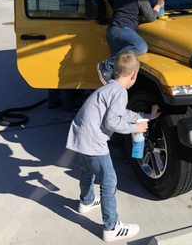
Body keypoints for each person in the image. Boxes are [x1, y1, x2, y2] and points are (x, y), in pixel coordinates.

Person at [66, 51, 160, 242]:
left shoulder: (109, 88)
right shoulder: (120, 92)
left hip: (80, 137)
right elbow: (112, 122)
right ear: (134, 74)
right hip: (93, 142)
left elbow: (120, 113)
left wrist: (146, 116)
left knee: (87, 171)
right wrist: (137, 127)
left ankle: (87, 201)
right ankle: (112, 227)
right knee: (109, 181)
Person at [97, 0, 166, 84]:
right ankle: (107, 65)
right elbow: (151, 16)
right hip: (124, 30)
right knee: (141, 46)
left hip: (112, 31)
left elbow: (118, 2)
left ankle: (113, 88)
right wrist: (159, 2)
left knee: (118, 74)